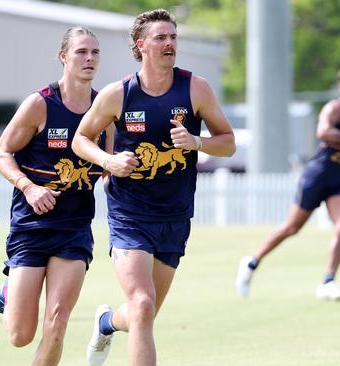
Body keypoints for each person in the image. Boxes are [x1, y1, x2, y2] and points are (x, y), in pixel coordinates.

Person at [72, 9, 235, 366]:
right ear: (141, 46)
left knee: (141, 314)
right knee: (143, 305)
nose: (170, 44)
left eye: (173, 37)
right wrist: (108, 161)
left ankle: (105, 323)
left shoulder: (195, 88)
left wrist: (196, 141)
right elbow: (80, 140)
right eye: (161, 38)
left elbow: (228, 142)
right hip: (130, 214)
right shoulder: (119, 94)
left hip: (175, 216)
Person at [0, 27, 112, 365]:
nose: (89, 59)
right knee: (19, 336)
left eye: (95, 52)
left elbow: (107, 171)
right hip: (32, 226)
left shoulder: (105, 111)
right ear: (64, 57)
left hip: (74, 228)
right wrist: (28, 187)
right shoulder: (40, 104)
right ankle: (8, 293)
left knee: (57, 322)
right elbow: (0, 153)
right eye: (81, 52)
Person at [235, 66, 340, 301]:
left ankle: (328, 282)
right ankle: (251, 263)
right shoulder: (335, 108)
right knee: (291, 228)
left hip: (339, 177)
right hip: (318, 175)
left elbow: (339, 144)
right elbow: (323, 132)